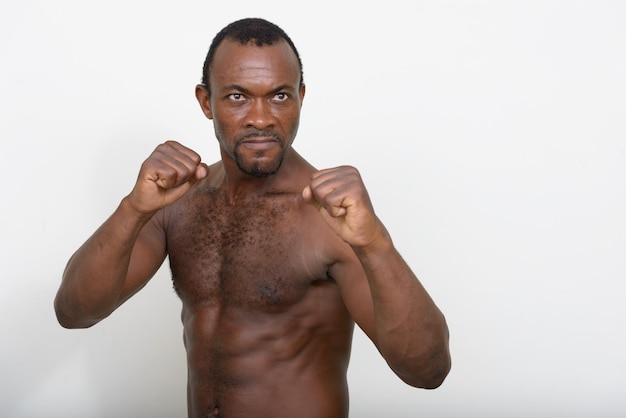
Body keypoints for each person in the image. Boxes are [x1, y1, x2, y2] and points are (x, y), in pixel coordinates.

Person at [54, 17, 451, 418]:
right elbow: (74, 312)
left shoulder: (330, 218)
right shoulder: (180, 201)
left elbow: (428, 370)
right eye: (238, 97)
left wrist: (374, 244)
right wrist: (134, 209)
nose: (260, 118)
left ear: (301, 97)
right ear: (206, 101)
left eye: (279, 96)